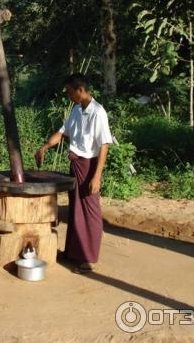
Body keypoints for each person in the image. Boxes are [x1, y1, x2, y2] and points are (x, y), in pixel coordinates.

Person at [34, 73, 112, 273]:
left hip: (89, 166)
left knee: (90, 212)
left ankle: (88, 258)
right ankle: (73, 253)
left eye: (70, 91)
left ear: (80, 90)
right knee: (76, 210)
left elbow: (104, 145)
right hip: (75, 166)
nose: (68, 95)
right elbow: (61, 133)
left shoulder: (98, 112)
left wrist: (97, 176)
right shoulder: (76, 110)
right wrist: (44, 147)